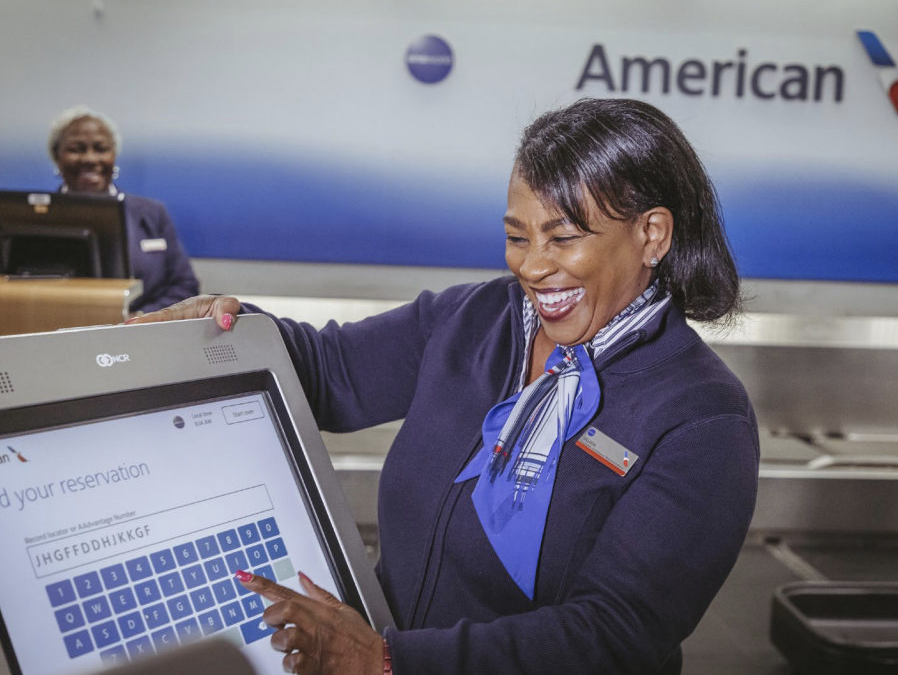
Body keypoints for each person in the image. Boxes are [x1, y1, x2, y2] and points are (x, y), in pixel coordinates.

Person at [131, 98, 760, 675]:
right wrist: (230, 330)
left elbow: (611, 636)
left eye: (563, 237)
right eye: (517, 236)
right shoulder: (471, 320)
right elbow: (330, 370)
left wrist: (385, 658)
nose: (533, 267)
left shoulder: (702, 417)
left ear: (652, 234)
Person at [48, 105, 200, 313]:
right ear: (57, 156)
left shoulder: (152, 213)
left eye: (101, 149)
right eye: (77, 149)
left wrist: (139, 319)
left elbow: (184, 285)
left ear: (114, 156)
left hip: (141, 334)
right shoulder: (38, 215)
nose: (91, 159)